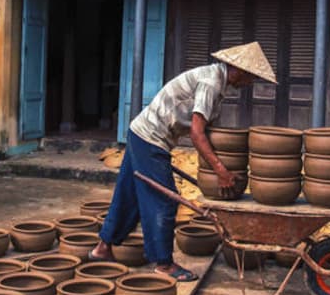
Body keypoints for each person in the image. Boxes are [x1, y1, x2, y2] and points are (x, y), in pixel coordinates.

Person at [89, 42, 278, 281]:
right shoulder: (211, 83)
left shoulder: (217, 82)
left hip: (140, 133)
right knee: (165, 201)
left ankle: (102, 249)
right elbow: (197, 134)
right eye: (251, 77)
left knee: (129, 195)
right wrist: (220, 170)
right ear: (238, 70)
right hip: (150, 139)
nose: (250, 83)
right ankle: (163, 263)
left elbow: (207, 129)